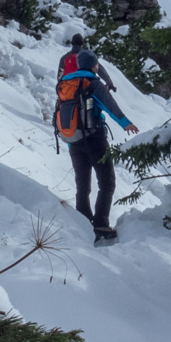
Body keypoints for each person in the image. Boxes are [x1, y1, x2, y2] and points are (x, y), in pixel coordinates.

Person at [59, 46, 138, 240]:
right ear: (94, 66)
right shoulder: (93, 83)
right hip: (95, 139)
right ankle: (101, 225)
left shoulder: (65, 84)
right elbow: (110, 106)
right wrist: (126, 123)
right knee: (107, 183)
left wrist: (71, 141)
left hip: (74, 141)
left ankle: (84, 225)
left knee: (83, 187)